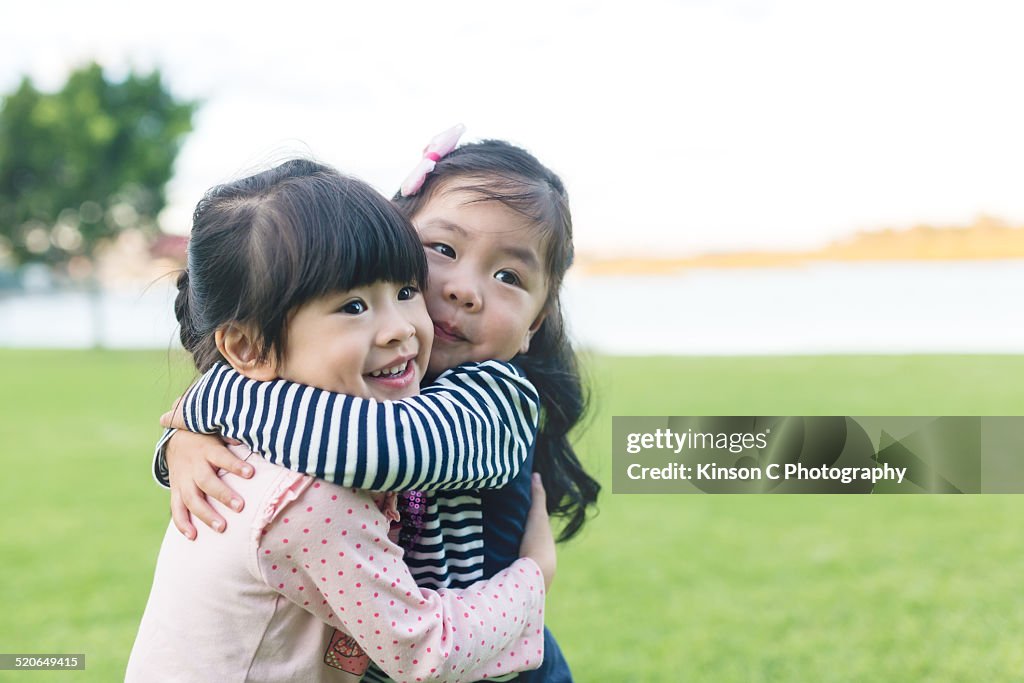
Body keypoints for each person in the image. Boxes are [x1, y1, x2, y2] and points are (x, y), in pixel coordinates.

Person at [157, 127, 601, 681]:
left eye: (509, 275)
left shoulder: (498, 402)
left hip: (491, 659)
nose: (465, 288)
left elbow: (382, 445)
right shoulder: (347, 387)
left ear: (534, 322)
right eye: (442, 250)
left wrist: (214, 400)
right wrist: (189, 439)